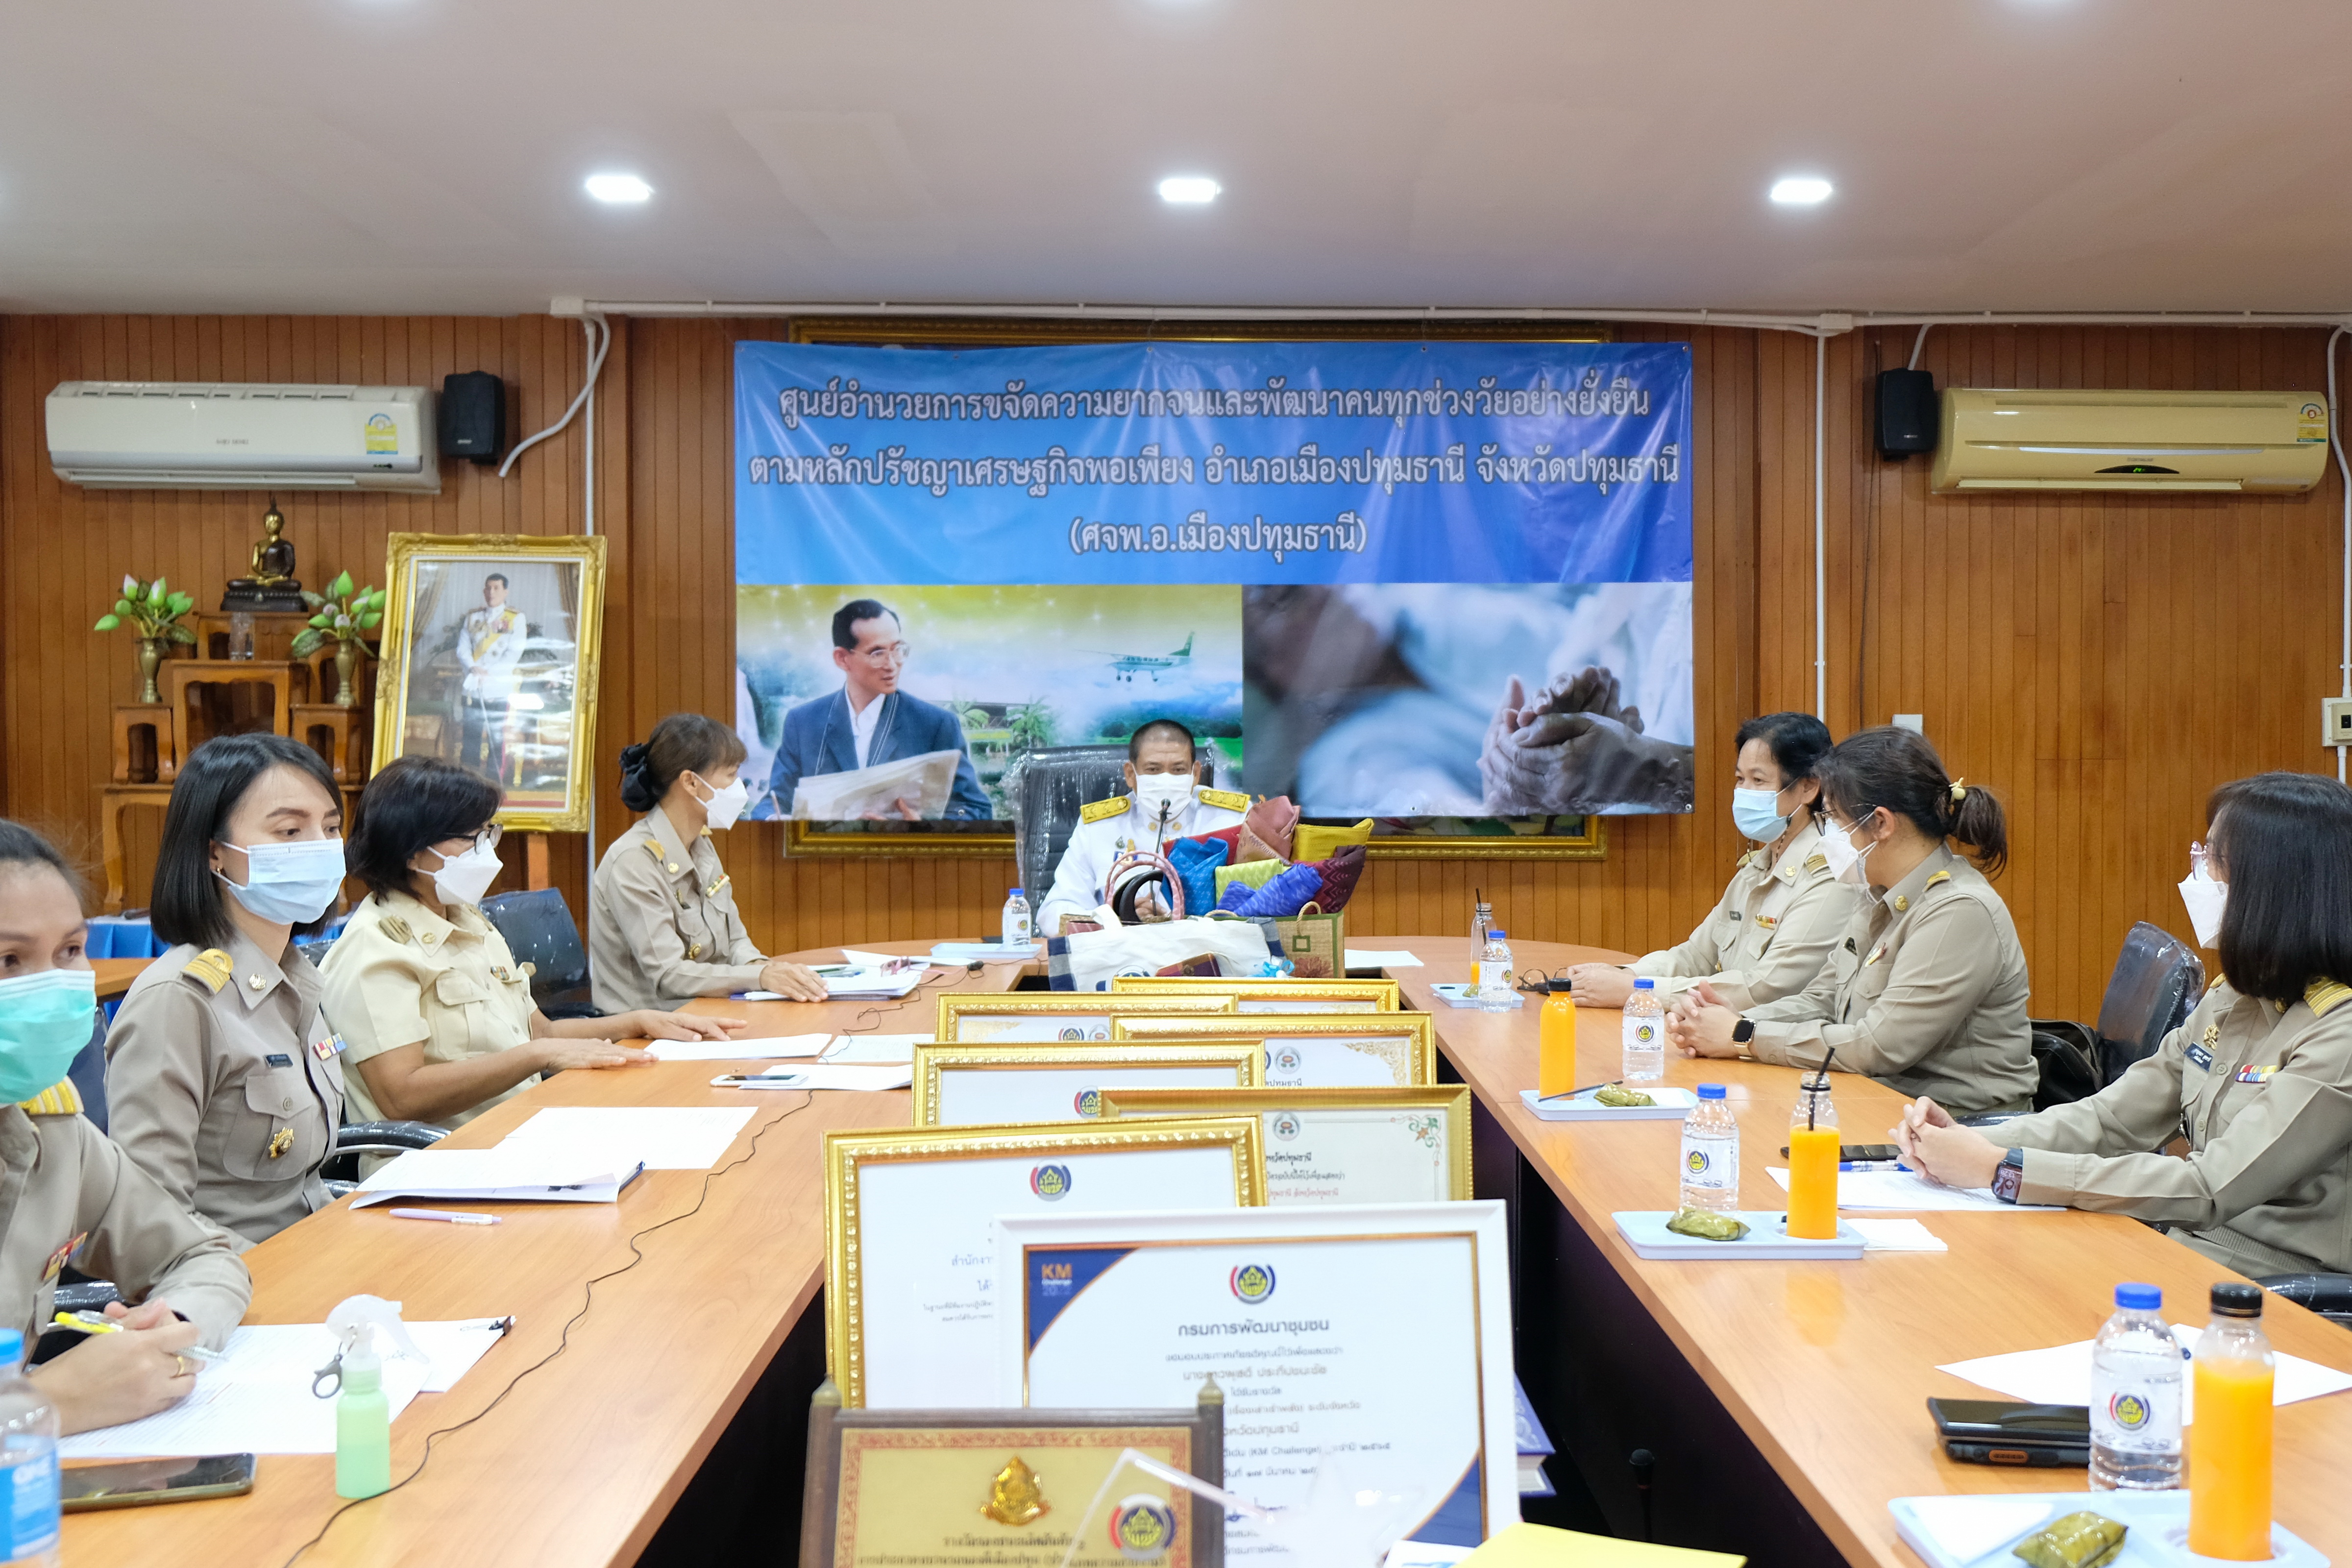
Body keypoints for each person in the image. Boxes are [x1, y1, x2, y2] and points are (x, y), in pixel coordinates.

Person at [1900, 772, 2352, 1275]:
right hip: (2180, 1243)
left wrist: (2003, 1169)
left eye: (2213, 858)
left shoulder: (2339, 1032)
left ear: (2271, 886)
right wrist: (1973, 1142)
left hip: (2271, 1284)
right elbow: (2110, 1119)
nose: (2196, 872)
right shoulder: (2235, 997)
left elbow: (2207, 1187)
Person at [319, 757, 734, 1132]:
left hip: (521, 1129)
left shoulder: (466, 919)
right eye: (471, 839)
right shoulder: (376, 950)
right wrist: (537, 1057)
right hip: (444, 1162)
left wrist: (637, 1023)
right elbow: (402, 1097)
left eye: (489, 833)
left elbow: (541, 1031)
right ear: (410, 851)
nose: (487, 851)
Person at [0, 819, 250, 1434]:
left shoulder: (50, 1130)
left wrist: (170, 1326)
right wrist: (47, 1405)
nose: (50, 986)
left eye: (69, 951)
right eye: (9, 958)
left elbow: (203, 1254)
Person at [1664, 726, 2035, 1117]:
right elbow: (1822, 1000)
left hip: (1961, 1125)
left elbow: (1878, 1047)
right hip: (1879, 1101)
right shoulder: (1876, 893)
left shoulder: (1958, 910)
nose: (1830, 836)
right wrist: (1729, 1021)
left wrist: (1744, 1036)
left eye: (1836, 820)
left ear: (1882, 824)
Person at [105, 734, 347, 1248]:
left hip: (322, 1253)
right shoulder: (179, 999)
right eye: (289, 829)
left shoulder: (295, 977)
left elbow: (304, 1187)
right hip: (241, 1286)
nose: (321, 848)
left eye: (330, 828)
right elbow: (152, 1216)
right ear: (216, 852)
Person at [1562, 711, 1857, 1010]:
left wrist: (1637, 992)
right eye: (1740, 778)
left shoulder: (1831, 875)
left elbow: (1766, 987)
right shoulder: (1757, 867)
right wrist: (1625, 974)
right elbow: (1697, 956)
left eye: (1758, 780)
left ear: (1809, 787)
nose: (1743, 792)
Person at [588, 714, 826, 1012]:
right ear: (690, 782)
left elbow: (736, 942)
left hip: (707, 1016)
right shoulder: (634, 861)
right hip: (647, 1033)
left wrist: (768, 972)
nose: (740, 786)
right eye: (730, 775)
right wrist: (761, 977)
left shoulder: (701, 845)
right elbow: (669, 975)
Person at [759, 599, 992, 821]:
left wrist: (925, 828)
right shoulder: (804, 723)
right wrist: (783, 821)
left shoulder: (935, 725)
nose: (892, 665)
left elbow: (976, 809)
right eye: (877, 653)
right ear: (842, 659)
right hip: (822, 858)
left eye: (898, 649)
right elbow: (772, 804)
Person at [1035, 719, 1250, 935]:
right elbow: (1054, 914)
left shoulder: (1233, 819)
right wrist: (1113, 918)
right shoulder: (1099, 827)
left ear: (1195, 774)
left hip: (1206, 952)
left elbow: (1262, 903)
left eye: (1178, 770)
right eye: (1153, 770)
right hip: (1120, 956)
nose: (1166, 779)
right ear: (1131, 774)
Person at [455, 572, 526, 778]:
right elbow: (463, 649)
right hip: (473, 688)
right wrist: (473, 668)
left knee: (496, 739)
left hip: (497, 688)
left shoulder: (515, 619)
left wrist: (489, 674)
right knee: (471, 738)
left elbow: (514, 653)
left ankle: (494, 784)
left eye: (496, 588)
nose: (491, 592)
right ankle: (468, 782)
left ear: (505, 592)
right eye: (488, 588)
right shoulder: (473, 618)